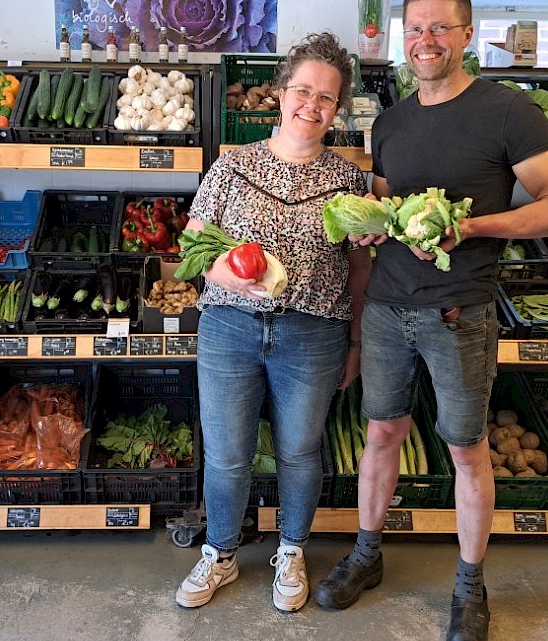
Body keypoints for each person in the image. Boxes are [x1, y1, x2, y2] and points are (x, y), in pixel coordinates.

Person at [313, 1, 548, 640]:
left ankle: (469, 586)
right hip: (386, 308)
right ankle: (366, 555)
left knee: (466, 448)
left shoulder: (510, 111)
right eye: (414, 29)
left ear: (465, 34)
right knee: (381, 434)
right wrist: (371, 227)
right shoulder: (392, 123)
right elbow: (384, 202)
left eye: (438, 27)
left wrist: (472, 227)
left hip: (460, 310)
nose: (424, 40)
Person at [175, 32, 369, 613]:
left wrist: (355, 340)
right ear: (282, 93)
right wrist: (222, 275)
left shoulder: (350, 182)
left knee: (300, 452)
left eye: (326, 98)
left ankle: (291, 549)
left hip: (315, 334)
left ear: (337, 110)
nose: (312, 105)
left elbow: (359, 271)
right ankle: (220, 552)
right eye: (303, 90)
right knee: (228, 453)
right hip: (229, 328)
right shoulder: (232, 167)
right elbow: (190, 247)